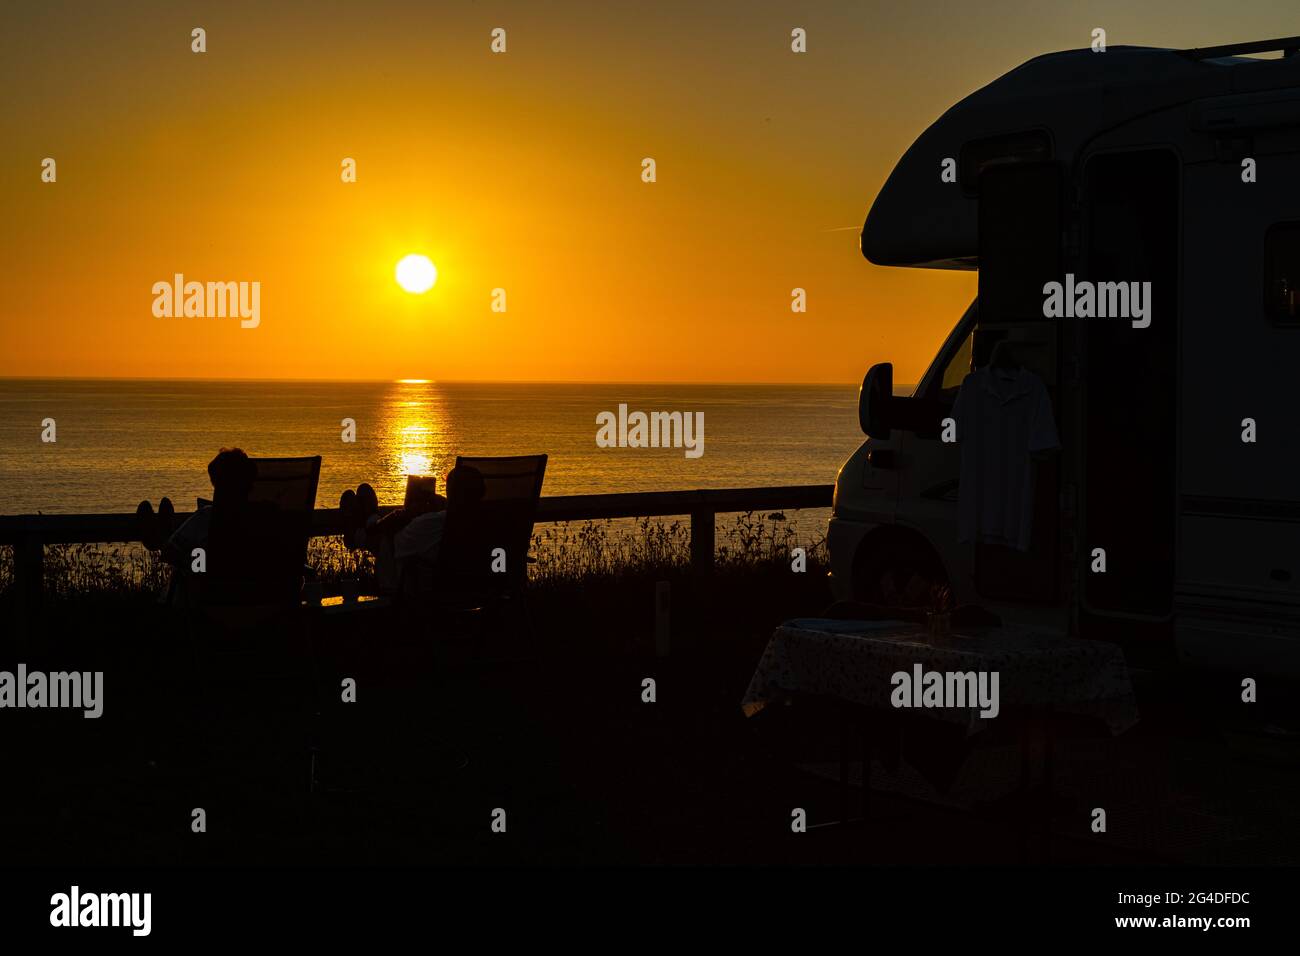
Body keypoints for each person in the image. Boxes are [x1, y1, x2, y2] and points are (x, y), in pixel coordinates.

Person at [340, 465, 485, 591]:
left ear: (452, 491)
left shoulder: (434, 522)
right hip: (467, 588)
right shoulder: (486, 519)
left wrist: (408, 513)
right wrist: (441, 505)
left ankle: (361, 529)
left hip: (419, 588)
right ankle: (366, 526)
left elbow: (395, 542)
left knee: (385, 540)